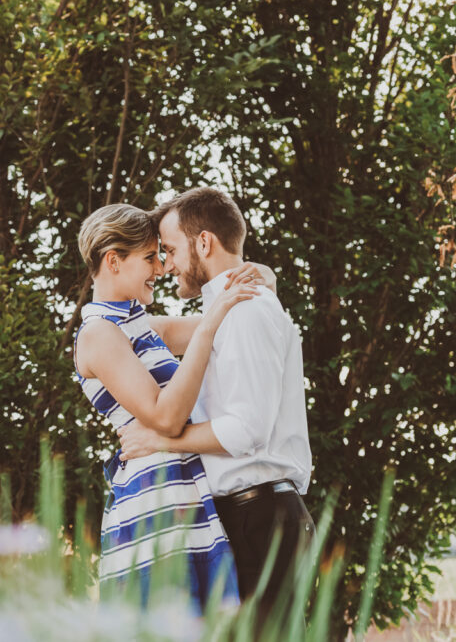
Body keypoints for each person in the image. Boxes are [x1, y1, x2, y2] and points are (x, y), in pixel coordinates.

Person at [117, 187, 315, 624]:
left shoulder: (245, 310)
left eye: (168, 250)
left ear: (204, 242)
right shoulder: (226, 310)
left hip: (261, 519)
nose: (165, 265)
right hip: (245, 517)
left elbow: (246, 430)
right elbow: (158, 329)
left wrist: (162, 441)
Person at [73, 203, 275, 612]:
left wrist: (264, 275)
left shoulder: (141, 326)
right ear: (113, 261)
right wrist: (211, 320)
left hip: (185, 499)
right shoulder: (97, 334)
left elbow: (231, 311)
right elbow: (166, 415)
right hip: (154, 507)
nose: (162, 268)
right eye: (150, 257)